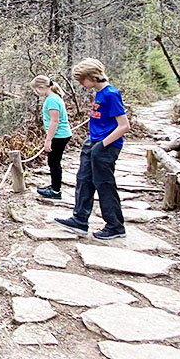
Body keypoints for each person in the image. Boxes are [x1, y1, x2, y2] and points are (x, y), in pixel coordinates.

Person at [54, 58, 131, 240]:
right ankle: (80, 219)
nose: (81, 84)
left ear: (92, 77)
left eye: (82, 80)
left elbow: (124, 126)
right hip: (93, 142)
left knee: (104, 184)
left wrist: (101, 145)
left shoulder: (111, 94)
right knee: (84, 180)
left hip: (106, 146)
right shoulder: (99, 93)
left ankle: (115, 226)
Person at [31, 75, 71, 200]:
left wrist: (48, 140)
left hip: (59, 136)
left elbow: (55, 121)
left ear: (42, 87)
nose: (36, 93)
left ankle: (55, 191)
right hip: (60, 135)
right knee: (53, 162)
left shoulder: (52, 100)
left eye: (36, 90)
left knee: (54, 163)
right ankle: (54, 186)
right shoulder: (53, 97)